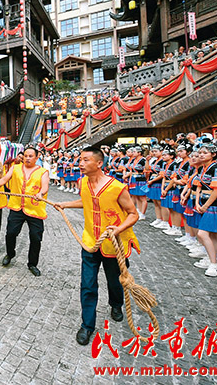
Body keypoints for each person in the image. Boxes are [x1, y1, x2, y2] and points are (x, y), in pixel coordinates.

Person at [54, 147, 140, 346]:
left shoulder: (117, 187)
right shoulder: (82, 182)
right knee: (88, 284)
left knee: (114, 281)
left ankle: (116, 304)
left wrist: (117, 230)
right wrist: (65, 204)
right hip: (90, 242)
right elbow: (86, 202)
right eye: (80, 160)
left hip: (113, 244)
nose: (80, 163)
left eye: (85, 160)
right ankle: (87, 325)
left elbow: (133, 214)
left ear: (99, 163)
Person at [0, 147, 49, 276]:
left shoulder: (43, 172)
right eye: (26, 155)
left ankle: (32, 264)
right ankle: (10, 254)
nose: (27, 158)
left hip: (35, 209)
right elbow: (5, 179)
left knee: (36, 238)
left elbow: (45, 186)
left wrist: (41, 193)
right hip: (16, 207)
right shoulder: (15, 168)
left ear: (37, 158)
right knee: (10, 233)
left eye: (30, 156)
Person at [191, 143, 217, 276]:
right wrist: (197, 202)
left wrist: (206, 205)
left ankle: (214, 264)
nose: (201, 155)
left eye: (205, 153)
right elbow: (197, 186)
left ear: (213, 154)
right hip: (203, 202)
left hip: (213, 204)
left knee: (203, 234)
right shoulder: (202, 168)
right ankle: (214, 257)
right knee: (213, 233)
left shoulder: (216, 168)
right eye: (200, 152)